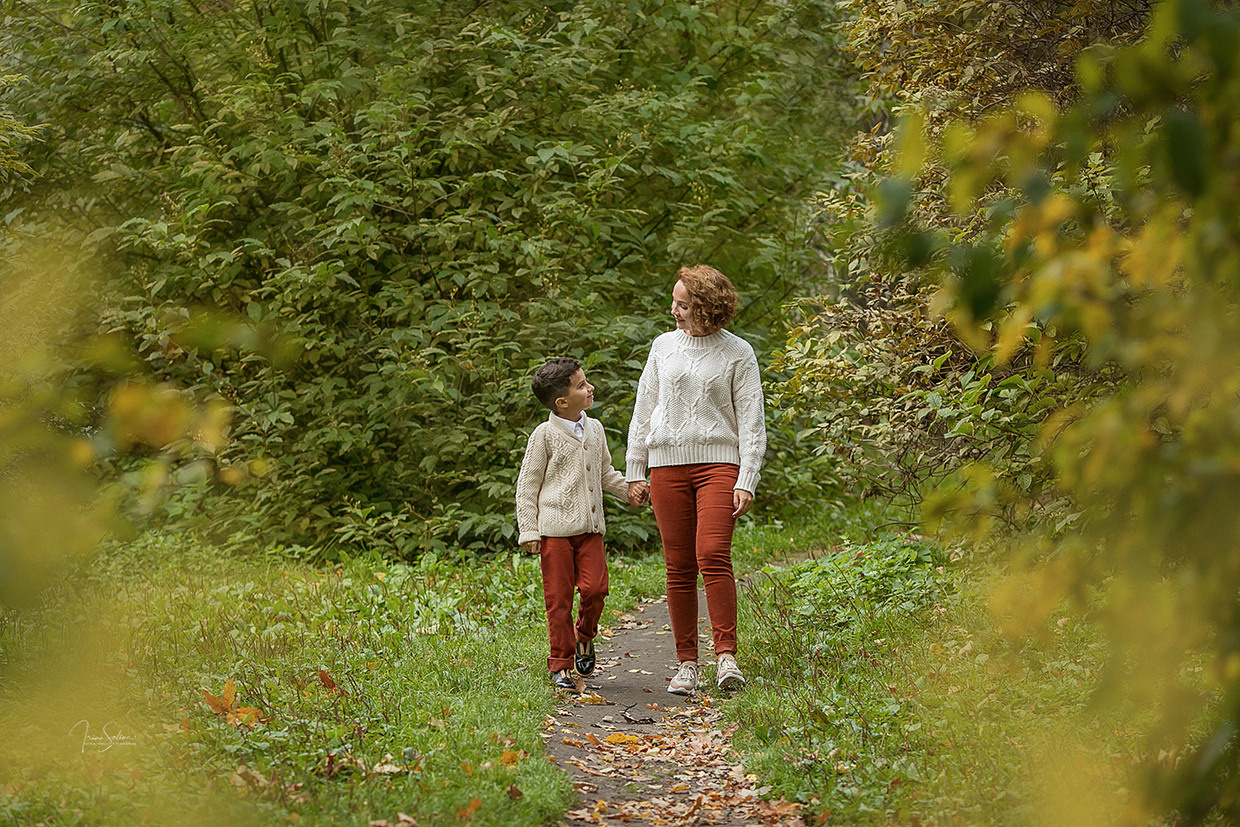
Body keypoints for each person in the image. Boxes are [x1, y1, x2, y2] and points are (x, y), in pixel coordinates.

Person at [625, 264, 767, 694]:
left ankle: (726, 658)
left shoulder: (738, 352)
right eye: (674, 302)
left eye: (683, 305)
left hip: (719, 466)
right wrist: (635, 469)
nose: (674, 311)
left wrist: (747, 477)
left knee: (712, 553)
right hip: (665, 464)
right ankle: (687, 663)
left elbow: (752, 421)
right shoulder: (662, 347)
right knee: (678, 565)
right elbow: (644, 408)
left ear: (706, 309)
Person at [516, 357, 633, 690]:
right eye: (581, 385)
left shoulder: (594, 429)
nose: (590, 387)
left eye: (586, 381)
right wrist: (529, 529)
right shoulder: (544, 436)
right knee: (559, 598)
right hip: (554, 533)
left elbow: (605, 473)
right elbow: (527, 486)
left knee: (596, 589)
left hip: (590, 530)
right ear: (561, 401)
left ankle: (585, 635)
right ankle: (561, 664)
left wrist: (633, 492)